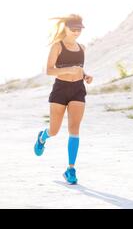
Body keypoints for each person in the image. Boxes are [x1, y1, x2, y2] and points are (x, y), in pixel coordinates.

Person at [33, 14, 93, 185]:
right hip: (60, 90)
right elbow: (49, 71)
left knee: (74, 129)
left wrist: (86, 75)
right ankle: (42, 137)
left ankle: (70, 169)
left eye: (79, 29)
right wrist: (69, 69)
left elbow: (79, 70)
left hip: (78, 90)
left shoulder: (82, 48)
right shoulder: (57, 46)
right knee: (54, 130)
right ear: (65, 28)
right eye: (73, 29)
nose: (76, 32)